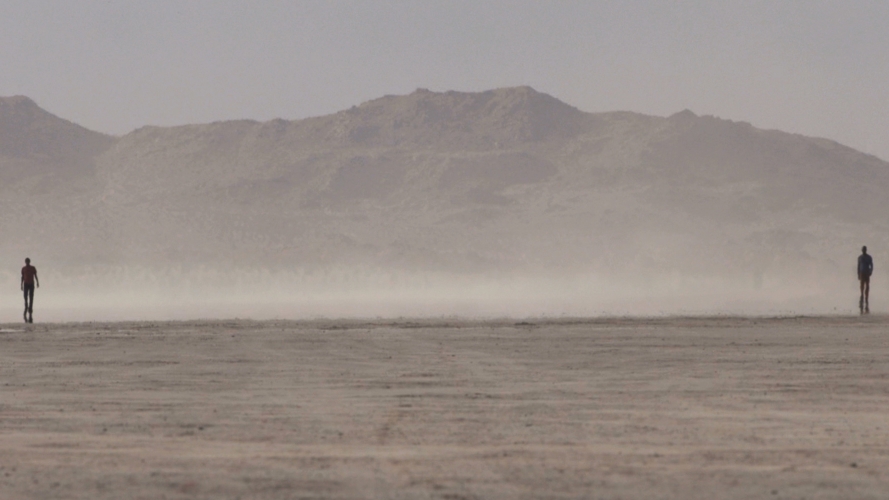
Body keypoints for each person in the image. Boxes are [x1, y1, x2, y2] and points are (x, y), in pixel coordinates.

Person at [21, 257, 39, 323]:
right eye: (26, 261)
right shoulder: (23, 268)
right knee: (25, 297)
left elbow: (35, 275)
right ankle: (26, 306)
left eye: (28, 261)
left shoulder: (32, 268)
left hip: (31, 284)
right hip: (26, 284)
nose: (27, 262)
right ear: (25, 262)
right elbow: (22, 277)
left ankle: (30, 309)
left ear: (29, 262)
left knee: (31, 297)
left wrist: (37, 282)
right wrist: (21, 284)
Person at [858, 246, 873, 314]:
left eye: (864, 250)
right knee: (862, 286)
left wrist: (870, 271)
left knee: (867, 286)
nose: (863, 251)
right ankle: (862, 296)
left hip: (866, 273)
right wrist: (858, 274)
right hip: (862, 273)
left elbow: (871, 265)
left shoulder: (869, 257)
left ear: (866, 250)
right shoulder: (860, 257)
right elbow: (858, 266)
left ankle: (866, 298)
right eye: (863, 250)